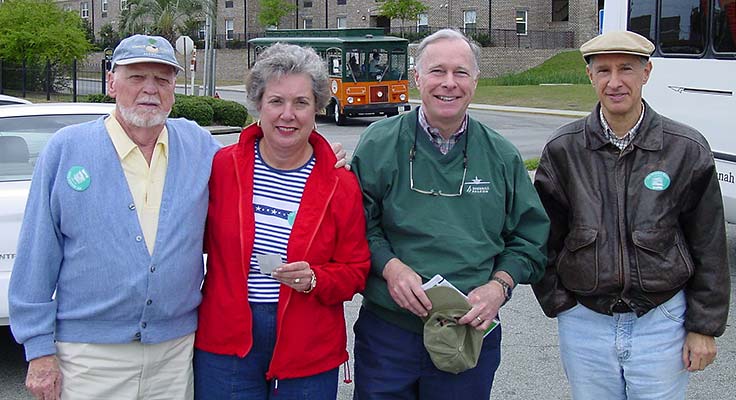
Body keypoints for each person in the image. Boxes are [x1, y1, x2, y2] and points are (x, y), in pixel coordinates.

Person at [8, 35, 348, 400]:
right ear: (111, 82)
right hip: (89, 356)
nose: (150, 89)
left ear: (174, 88)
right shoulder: (67, 150)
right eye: (137, 77)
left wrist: (321, 156)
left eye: (162, 79)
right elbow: (36, 257)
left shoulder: (198, 146)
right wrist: (39, 350)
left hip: (174, 353)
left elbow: (259, 159)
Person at [350, 29, 549, 399]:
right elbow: (356, 224)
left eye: (460, 72)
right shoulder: (379, 143)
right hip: (389, 333)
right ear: (417, 77)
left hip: (468, 331)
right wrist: (390, 267)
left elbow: (529, 239)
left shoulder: (501, 156)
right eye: (437, 71)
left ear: (475, 81)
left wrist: (499, 286)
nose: (449, 83)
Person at [533, 31, 731, 400]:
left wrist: (704, 326)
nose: (615, 82)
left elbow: (709, 244)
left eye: (626, 68)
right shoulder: (564, 149)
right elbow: (542, 237)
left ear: (646, 72)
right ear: (590, 76)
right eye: (603, 70)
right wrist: (561, 304)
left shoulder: (685, 149)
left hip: (662, 321)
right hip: (586, 322)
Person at [193, 43, 371, 399]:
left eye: (301, 102)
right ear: (258, 104)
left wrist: (316, 278)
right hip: (227, 344)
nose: (287, 114)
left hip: (307, 346)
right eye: (276, 101)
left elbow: (356, 270)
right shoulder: (223, 167)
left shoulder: (340, 182)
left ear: (317, 108)